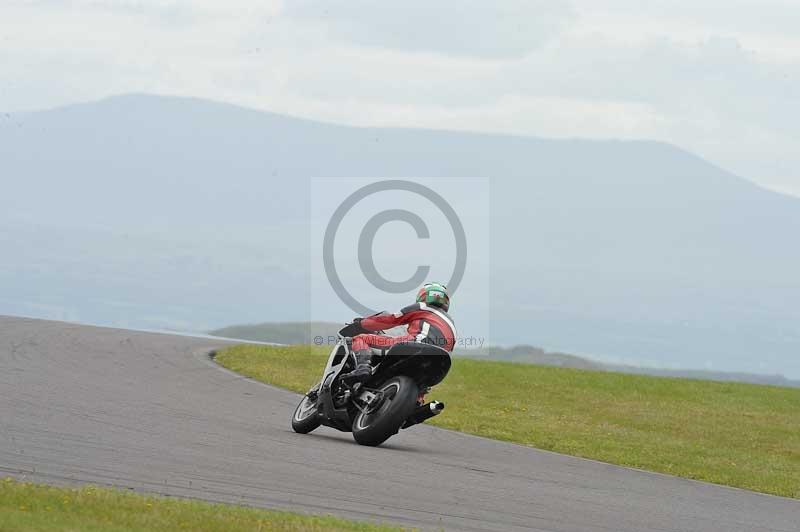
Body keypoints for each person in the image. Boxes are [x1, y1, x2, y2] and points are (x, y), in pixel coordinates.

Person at [341, 282, 457, 383]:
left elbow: (390, 320)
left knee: (361, 338)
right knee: (421, 388)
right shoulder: (452, 325)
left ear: (423, 296)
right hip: (439, 362)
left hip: (415, 345)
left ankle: (362, 368)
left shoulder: (422, 307)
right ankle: (417, 402)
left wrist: (361, 323)